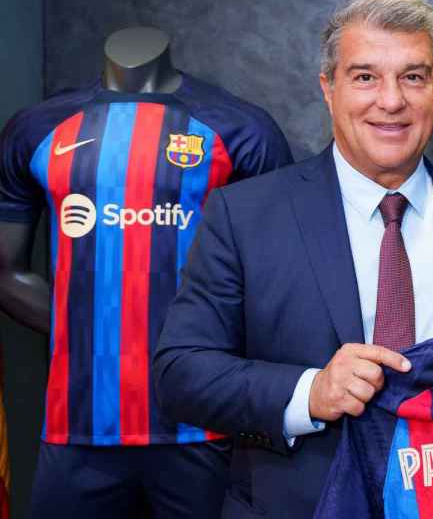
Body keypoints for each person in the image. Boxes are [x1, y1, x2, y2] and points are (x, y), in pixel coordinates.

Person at [154, 0, 433, 518]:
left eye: (413, 77)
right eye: (365, 77)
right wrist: (310, 391)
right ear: (329, 89)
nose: (391, 101)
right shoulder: (245, 214)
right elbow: (181, 372)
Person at [0, 26, 293, 517]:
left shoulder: (240, 128)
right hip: (77, 426)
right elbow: (4, 272)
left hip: (201, 424)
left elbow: (280, 275)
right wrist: (91, 329)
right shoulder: (37, 128)